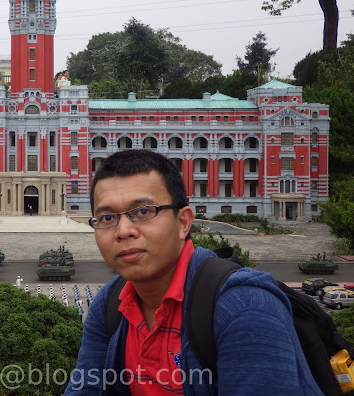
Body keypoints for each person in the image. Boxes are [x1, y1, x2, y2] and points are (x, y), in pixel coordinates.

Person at [65, 149, 322, 395]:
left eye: (143, 212)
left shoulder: (246, 307)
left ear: (183, 223)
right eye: (107, 218)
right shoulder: (111, 304)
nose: (123, 230)